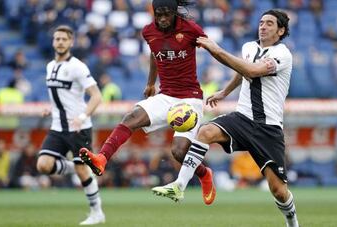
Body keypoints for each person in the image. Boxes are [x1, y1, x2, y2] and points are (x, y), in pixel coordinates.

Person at [152, 9, 299, 227]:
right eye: (261, 22)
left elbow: (253, 71)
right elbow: (242, 72)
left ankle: (292, 222)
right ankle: (179, 185)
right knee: (205, 131)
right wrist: (224, 92)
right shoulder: (249, 47)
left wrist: (216, 49)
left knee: (278, 191)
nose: (263, 26)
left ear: (281, 31)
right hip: (242, 117)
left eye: (269, 23)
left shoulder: (283, 54)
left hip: (268, 127)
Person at [79, 0, 216, 205]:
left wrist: (236, 75)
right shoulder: (148, 31)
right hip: (166, 94)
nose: (161, 19)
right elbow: (154, 53)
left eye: (166, 14)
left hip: (189, 98)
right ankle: (102, 158)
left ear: (174, 12)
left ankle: (204, 174)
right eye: (157, 14)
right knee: (131, 117)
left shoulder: (190, 29)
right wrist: (151, 83)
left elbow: (215, 50)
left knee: (178, 152)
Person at [35, 25, 105, 225]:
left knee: (83, 172)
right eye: (57, 39)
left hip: (78, 127)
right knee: (43, 165)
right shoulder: (50, 66)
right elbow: (61, 96)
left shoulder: (78, 67)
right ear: (53, 42)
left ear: (71, 42)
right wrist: (51, 108)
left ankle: (97, 212)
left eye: (64, 39)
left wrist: (82, 116)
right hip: (58, 126)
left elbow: (96, 96)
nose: (60, 42)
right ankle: (76, 167)